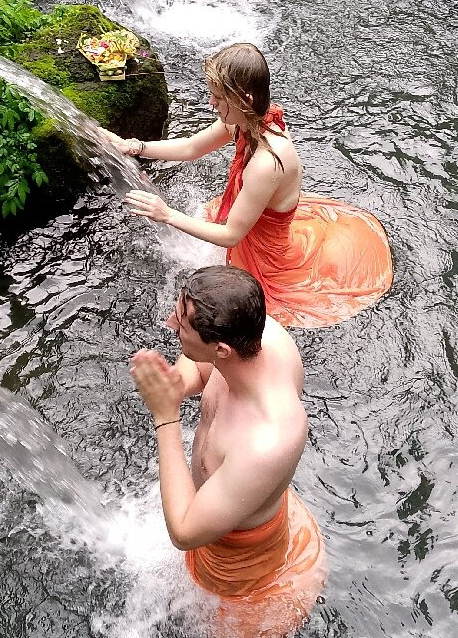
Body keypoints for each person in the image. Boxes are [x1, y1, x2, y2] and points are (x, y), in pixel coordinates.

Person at [105, 42, 393, 329]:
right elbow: (192, 147)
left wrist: (167, 214)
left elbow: (230, 235)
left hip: (268, 260)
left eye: (218, 97)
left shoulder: (268, 162)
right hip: (251, 227)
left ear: (244, 98)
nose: (211, 103)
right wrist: (136, 147)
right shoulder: (245, 121)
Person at [130, 265, 327, 637]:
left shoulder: (268, 438)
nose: (170, 323)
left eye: (182, 324)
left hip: (241, 574)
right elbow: (202, 369)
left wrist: (165, 416)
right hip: (223, 503)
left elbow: (185, 532)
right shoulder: (250, 332)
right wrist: (176, 385)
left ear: (220, 347)